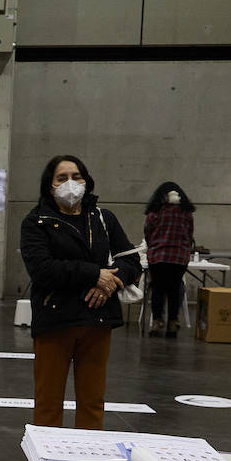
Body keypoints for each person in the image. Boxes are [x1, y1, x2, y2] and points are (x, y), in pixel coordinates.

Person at [20, 155, 141, 429]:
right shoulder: (36, 222)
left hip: (97, 321)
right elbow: (42, 270)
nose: (70, 183)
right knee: (48, 403)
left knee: (93, 403)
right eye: (61, 178)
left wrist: (111, 281)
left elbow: (131, 260)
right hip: (55, 321)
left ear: (86, 181)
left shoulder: (103, 218)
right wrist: (94, 274)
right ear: (50, 186)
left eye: (76, 176)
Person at [142, 182, 197, 338]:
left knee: (158, 289)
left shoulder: (154, 213)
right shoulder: (186, 214)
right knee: (174, 289)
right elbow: (190, 234)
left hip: (158, 256)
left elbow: (148, 233)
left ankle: (157, 322)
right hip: (179, 257)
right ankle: (173, 322)